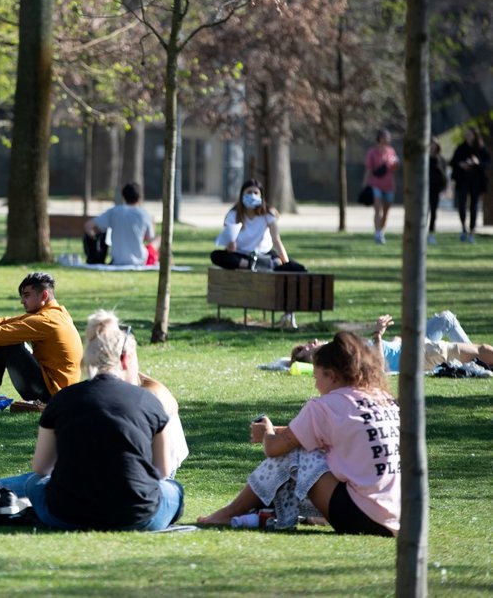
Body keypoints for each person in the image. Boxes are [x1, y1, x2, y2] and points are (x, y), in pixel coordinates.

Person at [0, 311, 185, 531]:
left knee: (37, 482)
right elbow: (162, 472)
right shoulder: (149, 400)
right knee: (174, 489)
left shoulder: (63, 399)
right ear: (127, 359)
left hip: (68, 513)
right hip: (137, 513)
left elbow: (41, 467)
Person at [198, 331, 400, 536]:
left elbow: (274, 449)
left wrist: (268, 431)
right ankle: (291, 513)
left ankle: (230, 512)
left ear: (331, 375)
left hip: (362, 518)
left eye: (316, 377)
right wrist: (276, 431)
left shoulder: (325, 406)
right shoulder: (383, 399)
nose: (315, 384)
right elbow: (329, 433)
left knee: (296, 453)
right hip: (396, 519)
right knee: (304, 447)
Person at [0, 272, 82, 403]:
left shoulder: (46, 320)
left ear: (44, 295)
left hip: (51, 395)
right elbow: (4, 321)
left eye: (26, 296)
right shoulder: (57, 313)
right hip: (59, 391)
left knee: (6, 340)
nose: (22, 301)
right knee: (5, 335)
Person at [209, 178, 302, 328]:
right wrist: (230, 246)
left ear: (261, 195)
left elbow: (276, 240)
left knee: (296, 268)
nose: (252, 195)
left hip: (265, 255)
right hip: (242, 256)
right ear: (241, 195)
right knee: (216, 256)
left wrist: (285, 262)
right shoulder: (233, 215)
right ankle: (257, 265)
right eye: (248, 192)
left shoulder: (268, 214)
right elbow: (228, 243)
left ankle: (288, 314)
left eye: (255, 192)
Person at [291, 311, 493, 373]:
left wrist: (390, 337)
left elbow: (388, 346)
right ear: (306, 360)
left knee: (446, 319)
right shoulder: (340, 357)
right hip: (416, 353)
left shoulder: (341, 347)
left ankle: (477, 365)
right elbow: (378, 365)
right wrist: (378, 335)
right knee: (479, 349)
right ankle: (478, 364)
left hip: (411, 345)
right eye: (306, 348)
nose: (312, 342)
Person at [84, 182, 155, 266]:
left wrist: (94, 241)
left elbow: (88, 226)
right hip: (140, 260)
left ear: (123, 196)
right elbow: (149, 237)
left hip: (117, 260)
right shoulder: (144, 214)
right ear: (139, 197)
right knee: (158, 240)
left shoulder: (114, 212)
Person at [449, 127, 490, 244]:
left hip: (476, 182)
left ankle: (472, 231)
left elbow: (487, 163)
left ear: (475, 135)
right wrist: (461, 164)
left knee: (474, 206)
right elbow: (453, 162)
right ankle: (463, 228)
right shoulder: (461, 148)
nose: (468, 136)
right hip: (462, 181)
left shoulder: (481, 148)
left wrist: (477, 163)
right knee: (461, 205)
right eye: (467, 134)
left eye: (470, 134)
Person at [362, 129, 400, 245]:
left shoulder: (391, 151)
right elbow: (369, 169)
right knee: (377, 209)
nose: (386, 139)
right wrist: (365, 183)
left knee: (386, 211)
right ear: (379, 138)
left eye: (388, 137)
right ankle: (377, 233)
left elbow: (394, 169)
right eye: (384, 137)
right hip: (375, 184)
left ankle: (381, 231)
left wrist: (396, 165)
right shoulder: (372, 152)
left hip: (389, 185)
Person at [428, 138, 447, 245]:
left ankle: (431, 233)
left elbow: (444, 177)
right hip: (425, 189)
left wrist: (444, 188)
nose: (433, 146)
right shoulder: (424, 159)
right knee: (424, 213)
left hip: (436, 189)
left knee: (434, 212)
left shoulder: (441, 160)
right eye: (431, 144)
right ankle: (421, 233)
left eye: (434, 144)